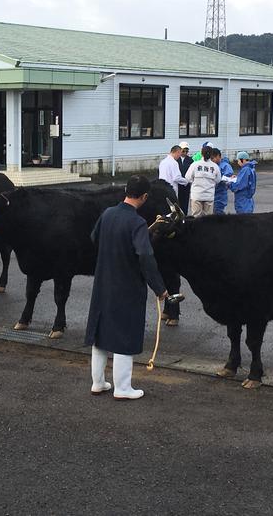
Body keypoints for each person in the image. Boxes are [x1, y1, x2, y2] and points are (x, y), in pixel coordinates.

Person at [84, 175, 168, 400]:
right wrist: (160, 288)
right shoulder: (137, 222)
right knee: (124, 333)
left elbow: (94, 238)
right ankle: (122, 388)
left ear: (125, 191)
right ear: (144, 196)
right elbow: (145, 256)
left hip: (103, 280)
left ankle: (98, 382)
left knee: (101, 332)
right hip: (127, 283)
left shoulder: (107, 213)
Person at [185, 146, 222, 217]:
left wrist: (194, 181)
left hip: (197, 195)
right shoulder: (215, 167)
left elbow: (188, 177)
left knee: (196, 217)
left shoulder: (195, 164)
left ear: (201, 153)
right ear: (211, 155)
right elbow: (218, 180)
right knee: (208, 219)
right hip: (209, 196)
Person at [177, 141, 194, 215]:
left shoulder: (190, 160)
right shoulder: (176, 159)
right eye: (183, 151)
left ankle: (184, 216)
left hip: (186, 184)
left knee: (185, 201)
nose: (185, 152)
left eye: (187, 151)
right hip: (177, 184)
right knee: (177, 202)